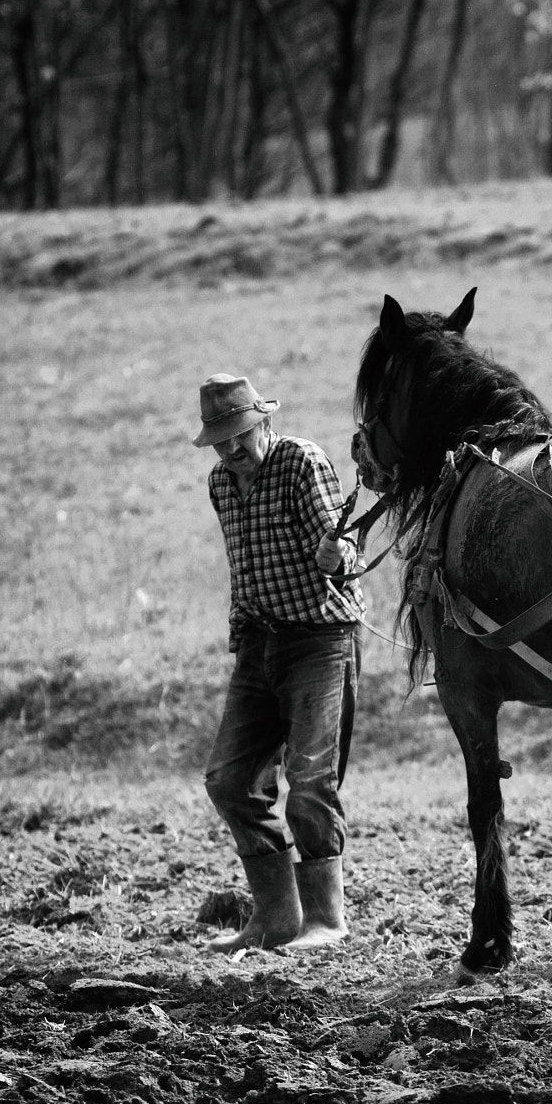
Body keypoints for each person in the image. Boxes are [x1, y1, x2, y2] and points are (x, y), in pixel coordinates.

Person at [194, 373, 365, 953]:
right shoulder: (220, 484)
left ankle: (326, 922)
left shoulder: (301, 463)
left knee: (311, 780)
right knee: (230, 780)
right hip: (258, 642)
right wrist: (242, 635)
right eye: (220, 441)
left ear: (264, 421)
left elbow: (344, 551)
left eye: (240, 435)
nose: (231, 449)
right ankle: (275, 918)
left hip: (318, 640)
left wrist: (335, 555)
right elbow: (241, 568)